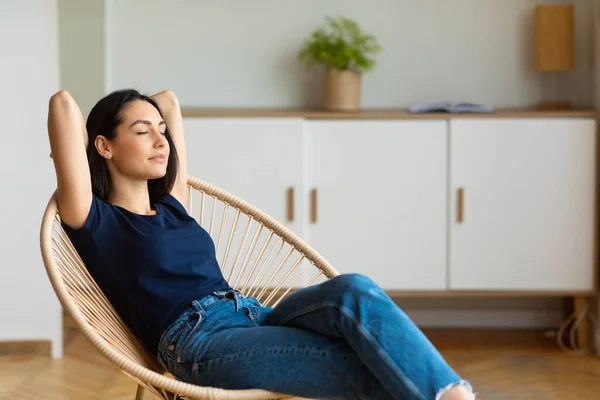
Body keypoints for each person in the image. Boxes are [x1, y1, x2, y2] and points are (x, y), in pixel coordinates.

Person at [47, 88, 476, 400]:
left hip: (251, 313)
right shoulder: (94, 220)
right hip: (197, 343)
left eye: (162, 132)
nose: (162, 142)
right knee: (363, 364)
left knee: (354, 289)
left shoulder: (172, 205)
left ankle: (453, 395)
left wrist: (148, 117)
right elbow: (63, 105)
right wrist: (93, 146)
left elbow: (170, 100)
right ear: (103, 145)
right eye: (143, 132)